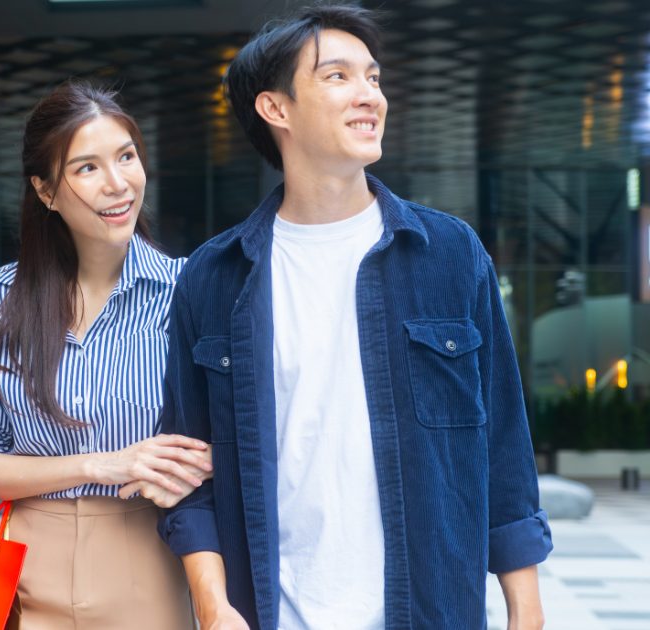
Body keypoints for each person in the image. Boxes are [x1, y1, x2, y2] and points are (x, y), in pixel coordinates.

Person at [157, 5, 553, 630]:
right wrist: (213, 606)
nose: (370, 95)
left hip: (430, 612)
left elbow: (503, 444)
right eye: (338, 76)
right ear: (276, 109)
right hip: (272, 614)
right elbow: (191, 467)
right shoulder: (214, 276)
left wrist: (524, 612)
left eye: (373, 77)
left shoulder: (449, 255)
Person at [0, 80, 211, 629]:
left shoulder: (189, 294)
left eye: (127, 157)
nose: (118, 185)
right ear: (45, 192)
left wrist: (194, 465)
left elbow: (230, 439)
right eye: (87, 168)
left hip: (149, 566)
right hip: (16, 578)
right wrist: (100, 464)